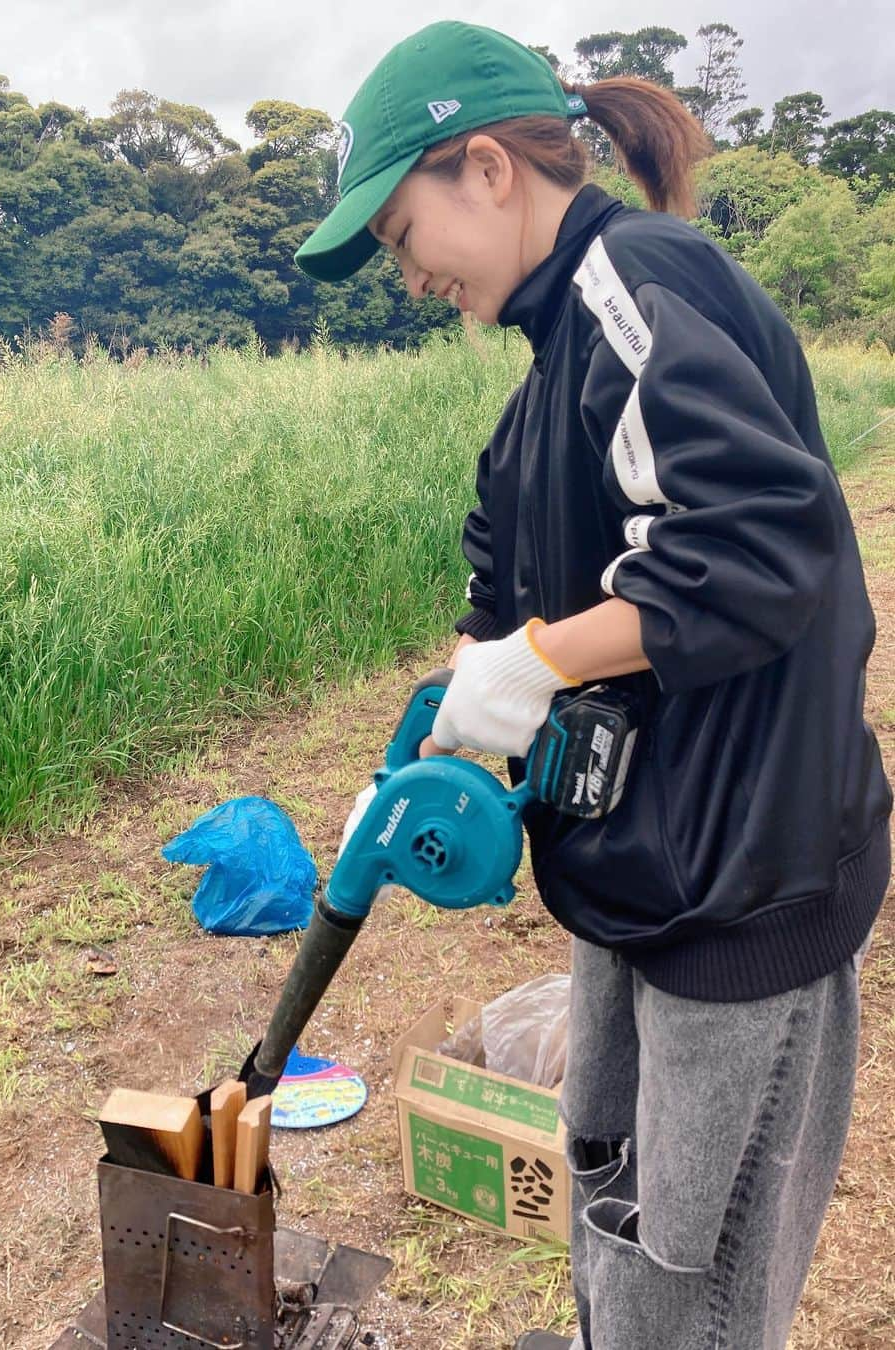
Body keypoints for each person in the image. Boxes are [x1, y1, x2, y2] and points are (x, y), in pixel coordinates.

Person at [293, 20, 892, 1350]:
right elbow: (501, 589)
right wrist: (440, 732)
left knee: (694, 1272)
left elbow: (761, 544)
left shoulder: (638, 284)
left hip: (745, 880)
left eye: (400, 233)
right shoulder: (544, 381)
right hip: (637, 875)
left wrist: (548, 656)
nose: (408, 274)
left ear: (489, 170)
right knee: (610, 1190)